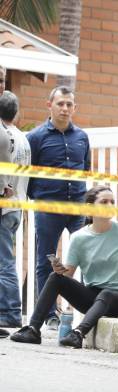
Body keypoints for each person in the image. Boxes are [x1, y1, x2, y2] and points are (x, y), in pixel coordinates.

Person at [10, 186, 118, 348]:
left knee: (107, 293)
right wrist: (59, 270)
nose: (110, 205)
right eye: (104, 202)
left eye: (112, 202)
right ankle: (33, 329)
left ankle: (78, 333)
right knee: (55, 278)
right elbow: (67, 276)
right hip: (93, 298)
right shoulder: (79, 238)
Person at [27, 86, 91, 329]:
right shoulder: (35, 137)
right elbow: (28, 176)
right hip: (48, 208)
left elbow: (85, 169)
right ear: (49, 105)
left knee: (85, 258)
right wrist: (41, 198)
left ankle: (86, 311)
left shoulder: (82, 137)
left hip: (77, 207)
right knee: (46, 261)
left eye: (69, 104)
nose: (65, 108)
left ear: (74, 108)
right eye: (60, 103)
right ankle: (49, 315)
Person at [0, 90, 30, 335]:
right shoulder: (23, 139)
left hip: (5, 205)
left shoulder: (5, 136)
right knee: (6, 260)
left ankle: (10, 312)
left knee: (4, 262)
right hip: (17, 206)